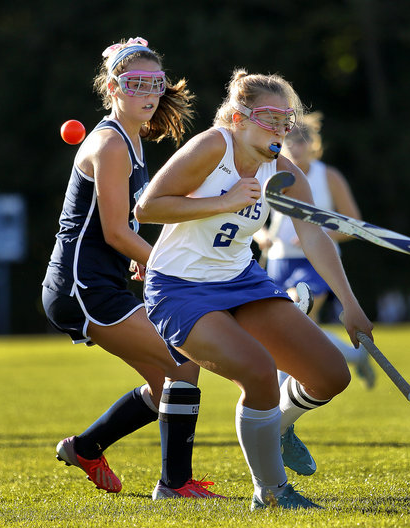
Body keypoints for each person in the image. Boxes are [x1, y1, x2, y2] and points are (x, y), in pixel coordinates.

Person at [134, 69, 374, 510]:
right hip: (179, 287)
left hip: (242, 281)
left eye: (288, 120)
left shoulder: (285, 172)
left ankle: (276, 426)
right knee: (259, 371)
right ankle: (272, 491)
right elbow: (147, 206)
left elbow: (315, 235)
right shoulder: (214, 145)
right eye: (270, 117)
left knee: (330, 375)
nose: (281, 128)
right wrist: (224, 202)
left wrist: (350, 304)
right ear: (239, 117)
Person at [42, 37, 222, 499]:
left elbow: (123, 229)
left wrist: (139, 260)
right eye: (135, 83)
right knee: (183, 362)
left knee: (169, 379)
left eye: (155, 84)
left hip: (98, 281)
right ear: (112, 86)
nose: (148, 92)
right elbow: (115, 233)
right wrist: (161, 265)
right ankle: (175, 484)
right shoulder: (111, 144)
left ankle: (85, 447)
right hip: (81, 286)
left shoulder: (135, 142)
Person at [254, 111, 375, 390]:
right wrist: (262, 237)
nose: (295, 146)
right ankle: (356, 357)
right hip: (278, 261)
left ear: (312, 144)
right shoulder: (271, 173)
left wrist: (319, 235)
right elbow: (253, 217)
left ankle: (279, 403)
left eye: (301, 140)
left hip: (316, 262)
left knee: (294, 319)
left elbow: (354, 225)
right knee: (298, 329)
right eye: (290, 140)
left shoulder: (328, 176)